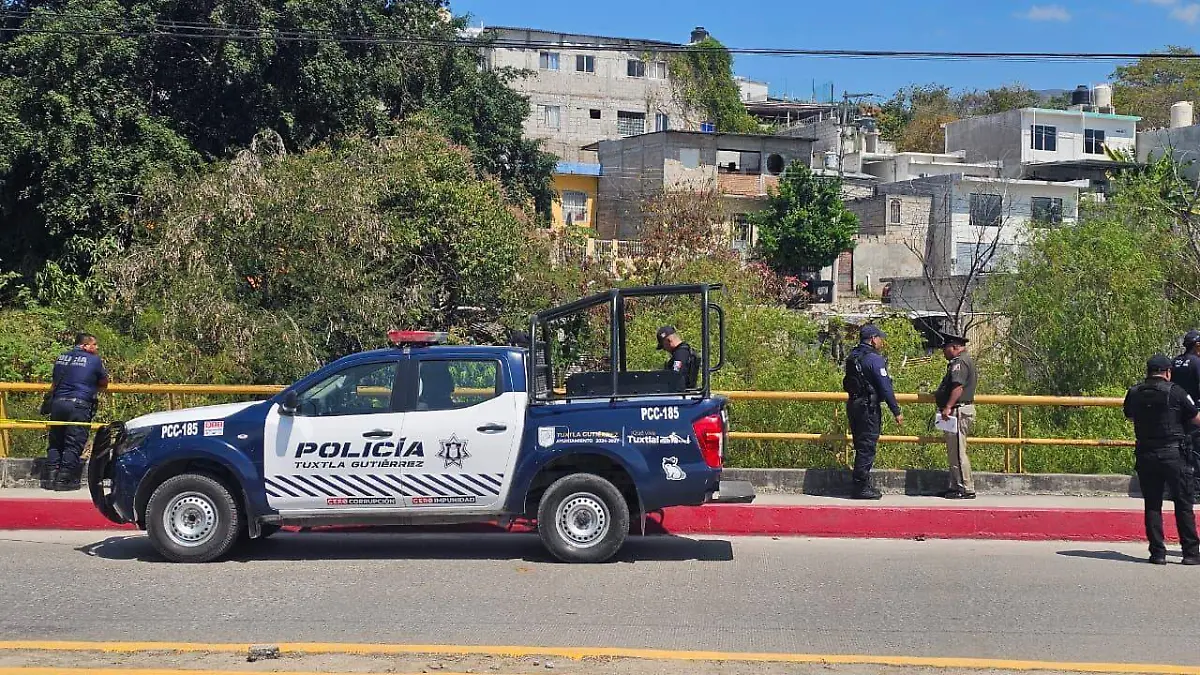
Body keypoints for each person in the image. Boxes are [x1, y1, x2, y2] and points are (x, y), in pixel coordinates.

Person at [1123, 354, 1200, 565]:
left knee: (1153, 505)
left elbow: (1130, 415)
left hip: (1147, 454)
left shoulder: (1135, 392)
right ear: (1167, 372)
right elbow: (1195, 417)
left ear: (1148, 372)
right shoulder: (1176, 392)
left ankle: (1157, 553)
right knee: (1183, 504)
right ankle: (1191, 553)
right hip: (1174, 455)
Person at [842, 324, 904, 500]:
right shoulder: (873, 359)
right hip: (867, 408)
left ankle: (862, 484)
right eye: (880, 338)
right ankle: (861, 487)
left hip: (854, 405)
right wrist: (896, 411)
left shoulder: (853, 356)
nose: (881, 342)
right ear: (872, 339)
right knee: (867, 447)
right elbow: (885, 387)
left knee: (860, 445)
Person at [43, 333, 109, 491]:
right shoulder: (94, 360)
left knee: (55, 441)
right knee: (74, 442)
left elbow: (54, 381)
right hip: (79, 405)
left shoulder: (61, 357)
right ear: (85, 346)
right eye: (94, 344)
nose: (97, 347)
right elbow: (104, 383)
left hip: (58, 404)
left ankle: (51, 476)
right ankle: (64, 480)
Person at [935, 333, 977, 500]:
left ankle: (965, 488)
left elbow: (958, 387)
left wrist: (948, 406)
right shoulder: (962, 361)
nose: (944, 353)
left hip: (959, 411)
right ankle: (955, 486)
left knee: (959, 452)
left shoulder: (960, 362)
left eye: (945, 349)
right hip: (957, 410)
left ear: (954, 347)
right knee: (953, 452)